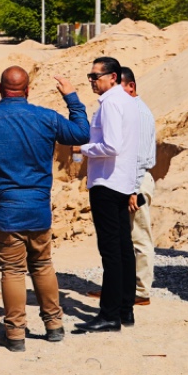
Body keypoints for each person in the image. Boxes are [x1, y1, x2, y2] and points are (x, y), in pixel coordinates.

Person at [0, 67, 90, 352]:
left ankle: (15, 334)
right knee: (42, 265)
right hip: (38, 209)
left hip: (4, 210)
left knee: (12, 270)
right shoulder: (46, 117)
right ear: (27, 89)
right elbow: (81, 133)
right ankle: (54, 324)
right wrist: (72, 98)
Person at [75, 57, 142, 334]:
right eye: (90, 76)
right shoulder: (128, 102)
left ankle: (110, 314)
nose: (92, 80)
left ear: (113, 77)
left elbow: (111, 145)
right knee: (124, 249)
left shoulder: (112, 103)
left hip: (107, 182)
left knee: (111, 252)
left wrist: (83, 149)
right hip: (121, 180)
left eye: (96, 76)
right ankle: (125, 308)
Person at [121, 68, 158, 307]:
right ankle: (123, 287)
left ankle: (141, 292)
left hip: (136, 181)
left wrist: (133, 189)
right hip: (125, 181)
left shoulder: (140, 115)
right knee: (123, 238)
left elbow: (142, 157)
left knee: (140, 237)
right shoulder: (126, 112)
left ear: (131, 87)